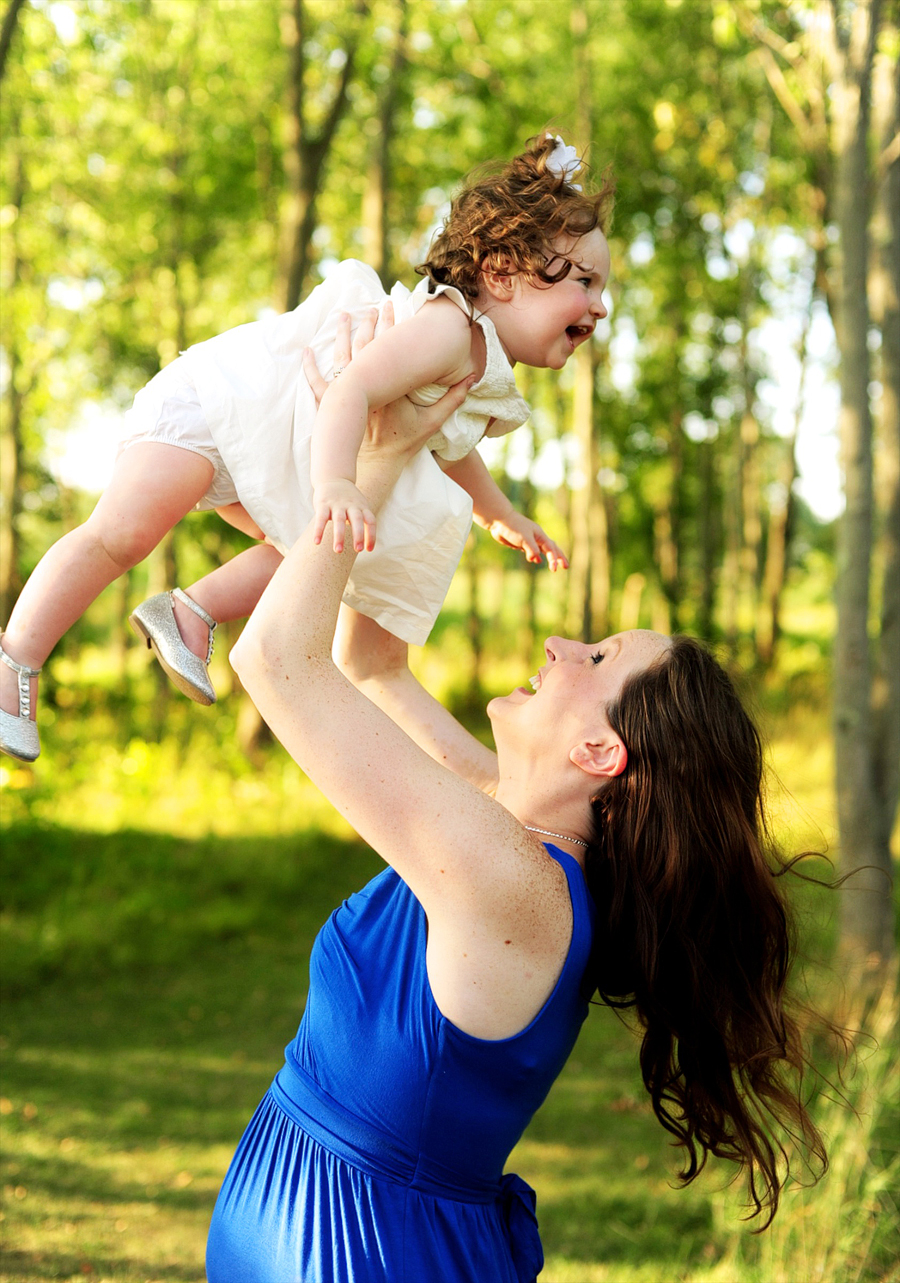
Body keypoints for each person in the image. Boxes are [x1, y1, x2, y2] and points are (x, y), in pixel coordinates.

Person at [204, 330, 828, 1282]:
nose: (557, 642)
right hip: (323, 1225)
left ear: (600, 751)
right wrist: (404, 435)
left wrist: (364, 455)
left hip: (363, 1251)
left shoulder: (510, 882)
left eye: (596, 659)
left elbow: (275, 662)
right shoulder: (506, 831)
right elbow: (368, 664)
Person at [0, 132, 613, 762]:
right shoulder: (449, 330)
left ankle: (191, 613)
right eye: (586, 282)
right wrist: (335, 487)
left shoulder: (480, 363)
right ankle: (14, 659)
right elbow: (351, 389)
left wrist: (500, 513)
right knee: (122, 534)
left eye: (602, 289)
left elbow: (450, 447)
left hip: (273, 450)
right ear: (502, 273)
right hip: (222, 406)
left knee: (308, 555)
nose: (599, 306)